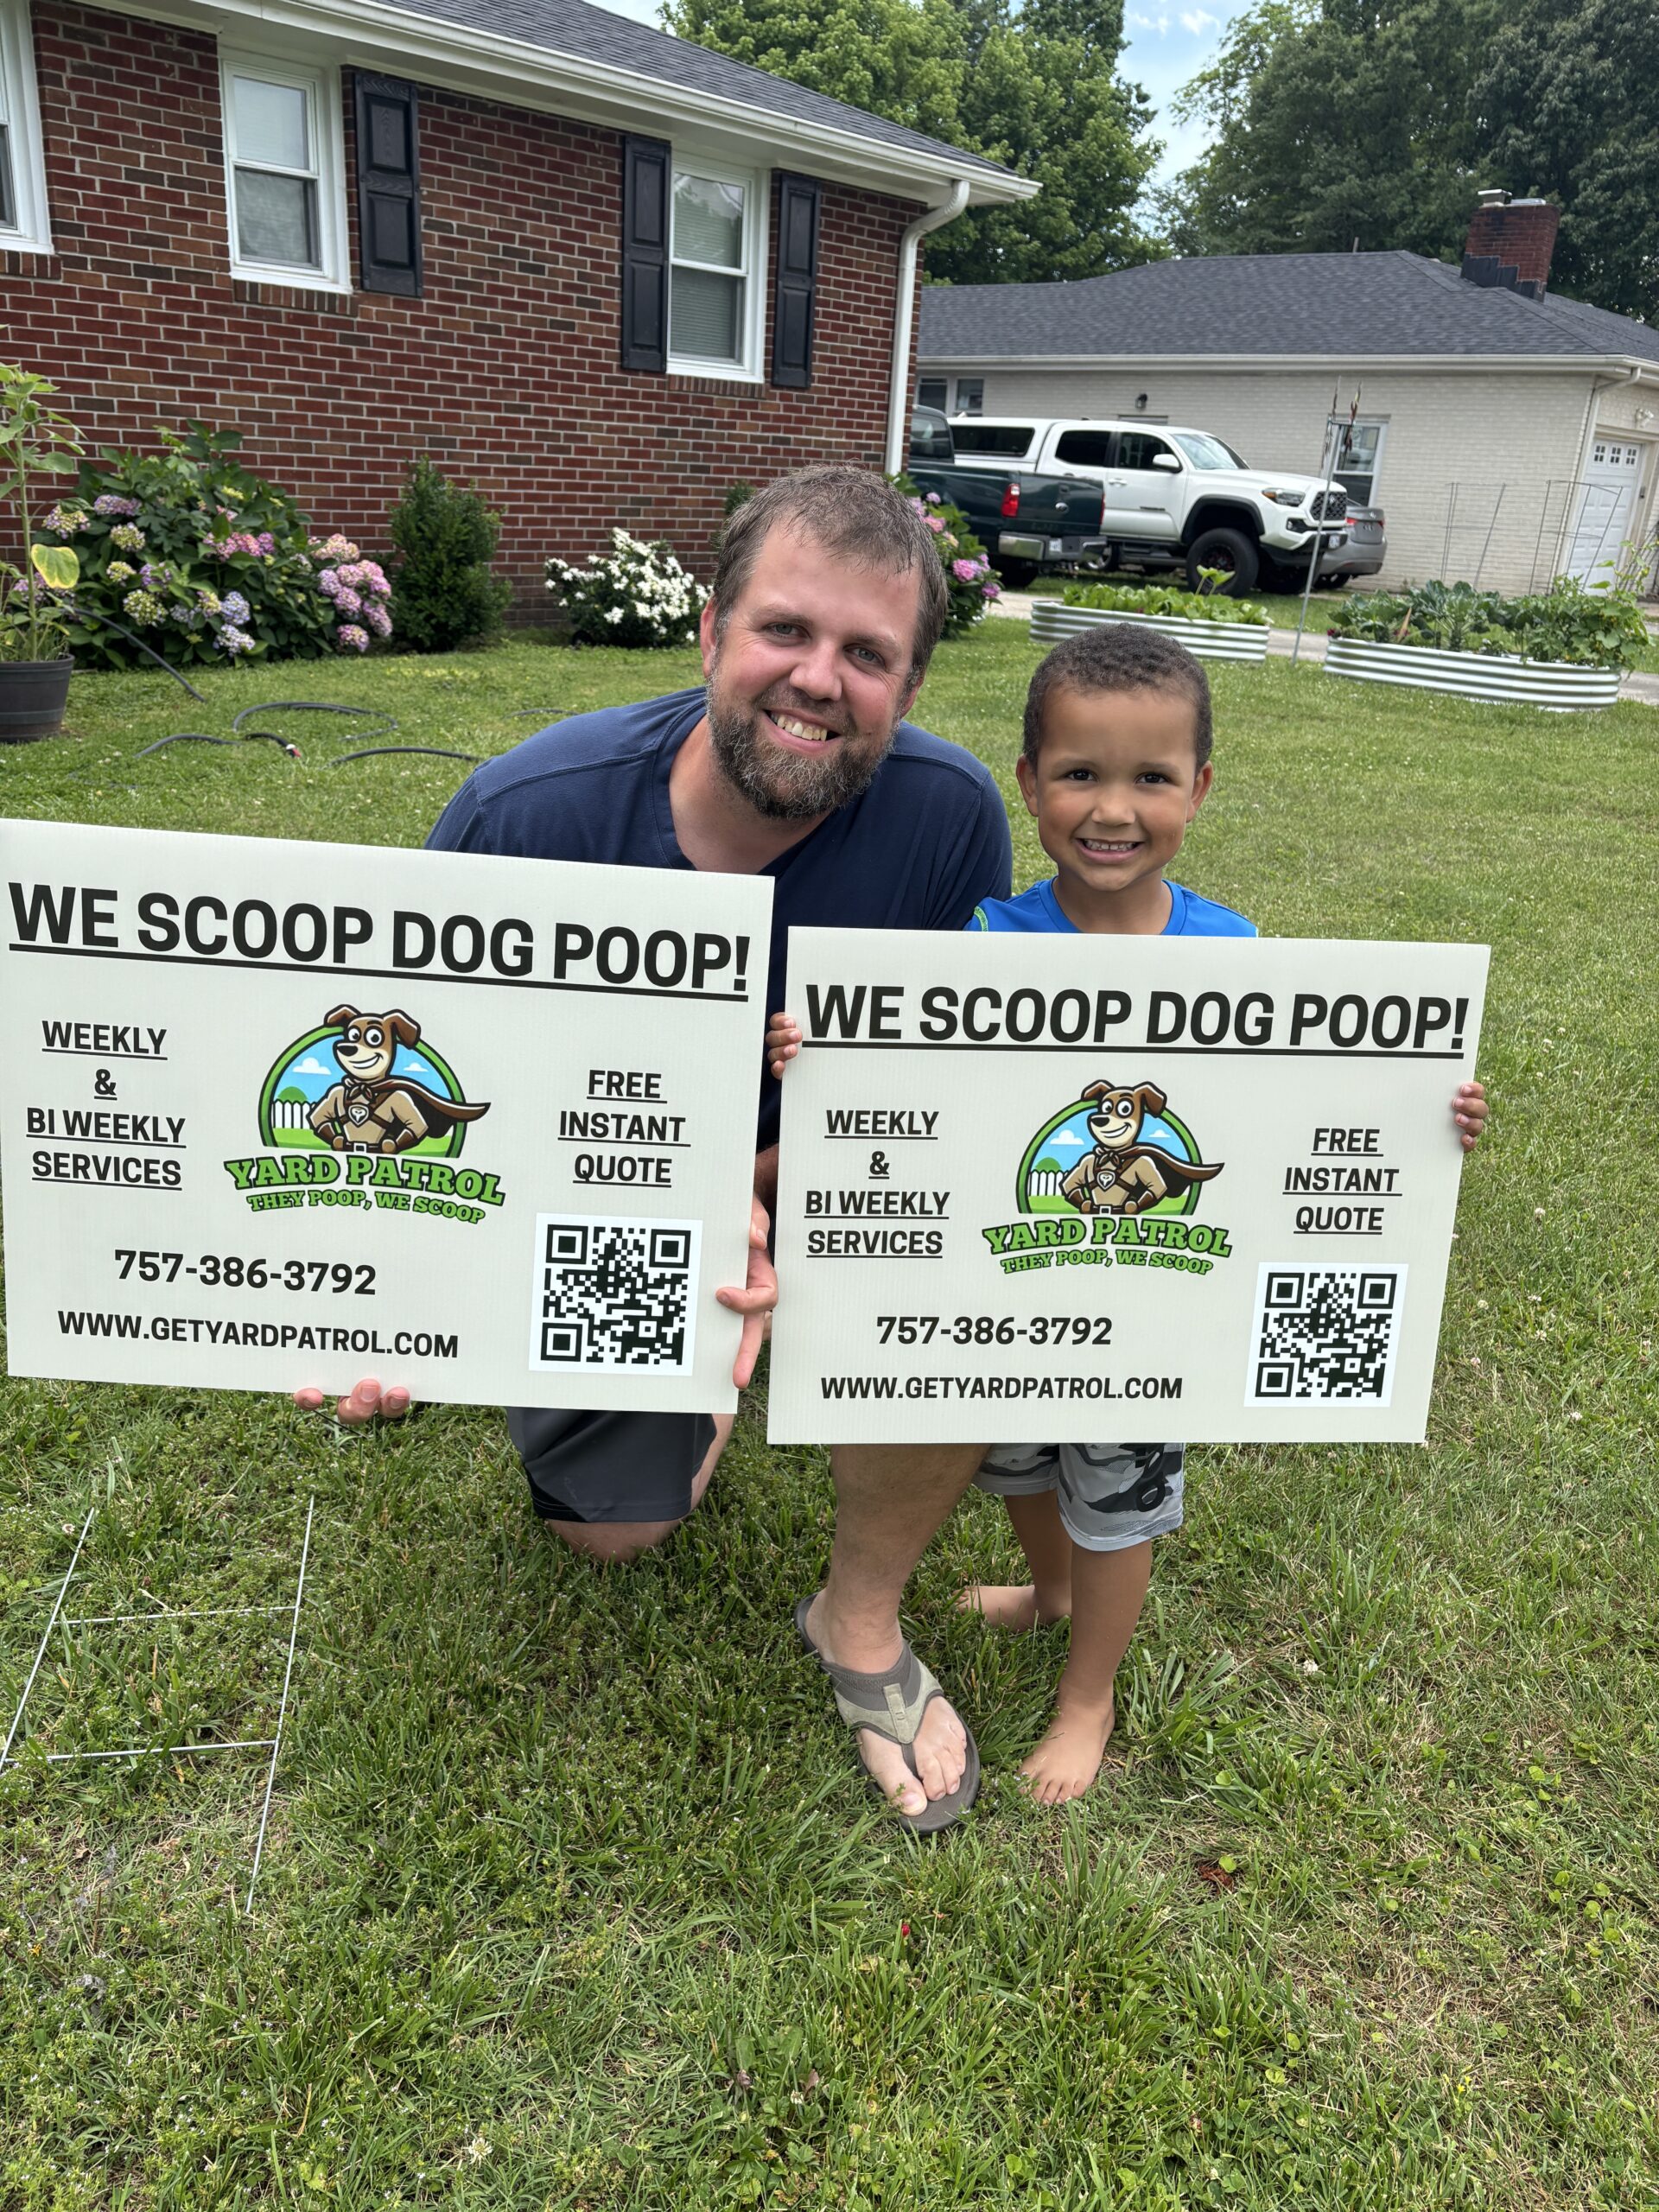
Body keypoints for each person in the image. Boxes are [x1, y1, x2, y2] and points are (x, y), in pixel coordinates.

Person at [295, 467, 1011, 1831]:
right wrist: (391, 1299)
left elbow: (942, 1099)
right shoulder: (526, 820)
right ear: (709, 632)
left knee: (965, 1261)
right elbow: (430, 1109)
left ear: (911, 686)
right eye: (785, 632)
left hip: (813, 1187)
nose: (819, 680)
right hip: (590, 1189)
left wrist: (774, 1202)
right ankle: (699, 1387)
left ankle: (858, 1623)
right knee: (609, 1535)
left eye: (868, 654)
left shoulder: (950, 817)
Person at [767, 621, 1490, 1805]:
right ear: (1029, 785)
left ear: (1200, 789)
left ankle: (1088, 1693)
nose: (1113, 808)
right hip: (1015, 1296)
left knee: (1113, 1493)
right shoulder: (988, 942)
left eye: (1151, 778)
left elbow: (1305, 1101)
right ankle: (1045, 1596)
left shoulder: (1236, 956)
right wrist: (830, 1053)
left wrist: (1423, 1109)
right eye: (1080, 774)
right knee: (1015, 1466)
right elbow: (920, 1081)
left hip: (1152, 1310)